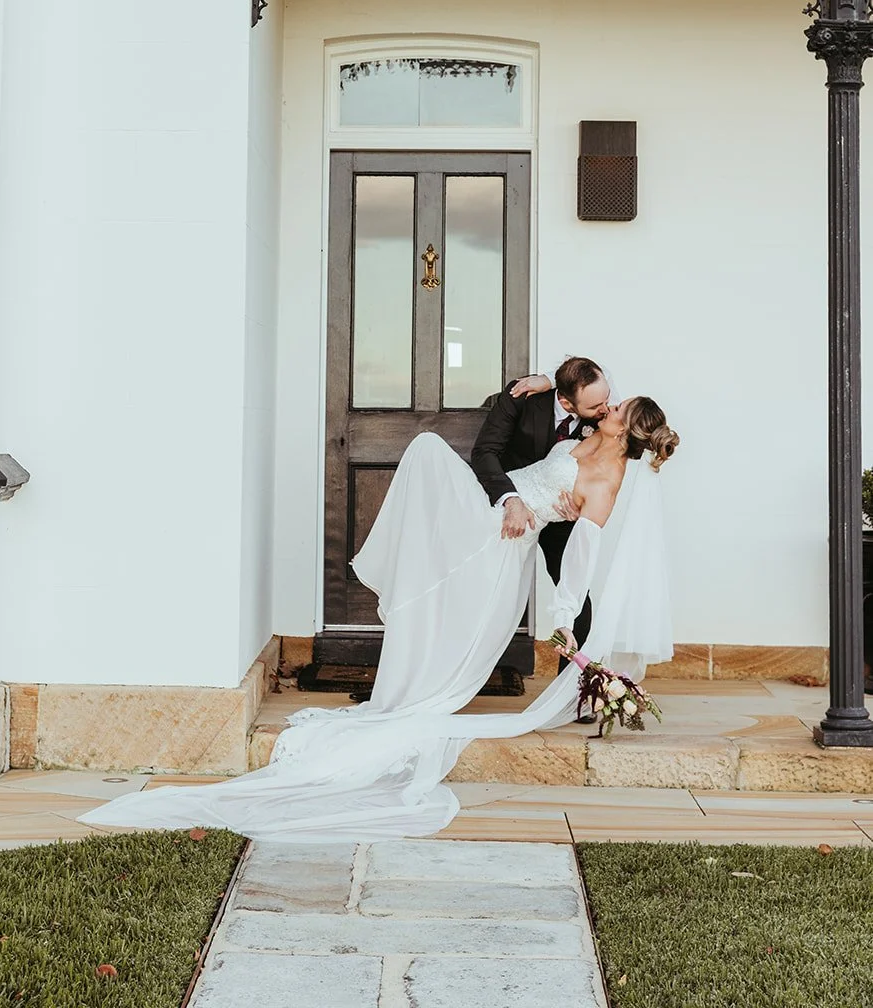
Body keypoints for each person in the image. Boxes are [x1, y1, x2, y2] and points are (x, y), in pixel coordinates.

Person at [80, 397, 678, 843]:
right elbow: (540, 422)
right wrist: (542, 387)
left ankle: (419, 688)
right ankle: (411, 676)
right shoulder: (580, 440)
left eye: (618, 407)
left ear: (623, 428)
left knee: (426, 467)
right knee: (425, 467)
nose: (610, 404)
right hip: (495, 510)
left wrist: (568, 614)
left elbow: (581, 557)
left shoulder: (605, 480)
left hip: (500, 540)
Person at [472, 357, 611, 663]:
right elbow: (485, 452)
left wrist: (582, 508)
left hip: (561, 513)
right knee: (482, 591)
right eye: (595, 407)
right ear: (566, 402)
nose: (604, 410)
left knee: (576, 595)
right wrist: (511, 500)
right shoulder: (522, 397)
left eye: (606, 401)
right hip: (510, 505)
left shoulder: (601, 410)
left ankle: (572, 691)